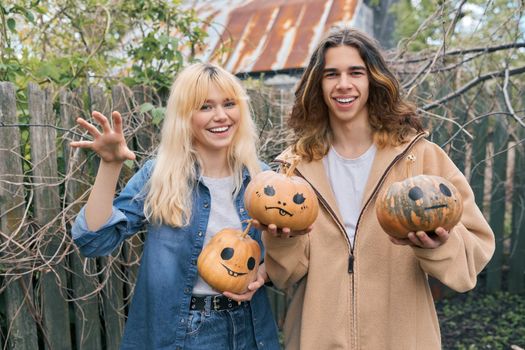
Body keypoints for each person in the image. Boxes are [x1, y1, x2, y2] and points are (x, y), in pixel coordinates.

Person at [261, 28, 495, 349]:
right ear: (318, 84)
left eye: (355, 72)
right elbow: (286, 275)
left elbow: (472, 259)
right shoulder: (296, 169)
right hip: (318, 337)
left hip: (401, 338)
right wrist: (282, 241)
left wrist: (437, 245)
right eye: (332, 74)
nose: (344, 84)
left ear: (373, 79)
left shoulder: (419, 158)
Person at [71, 63, 281, 350]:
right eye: (205, 107)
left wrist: (264, 271)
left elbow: (287, 251)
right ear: (185, 116)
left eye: (229, 104)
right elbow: (93, 241)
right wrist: (110, 165)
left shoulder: (261, 178)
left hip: (251, 330)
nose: (221, 116)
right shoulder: (160, 176)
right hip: (183, 335)